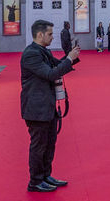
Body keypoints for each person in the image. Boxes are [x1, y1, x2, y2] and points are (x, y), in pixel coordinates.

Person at [20, 19, 80, 192]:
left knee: (49, 143)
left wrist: (72, 56)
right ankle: (35, 181)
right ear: (40, 35)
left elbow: (56, 64)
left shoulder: (42, 51)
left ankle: (46, 176)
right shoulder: (31, 53)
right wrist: (69, 58)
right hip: (36, 108)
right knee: (39, 146)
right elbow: (51, 73)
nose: (53, 37)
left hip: (46, 105)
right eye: (50, 34)